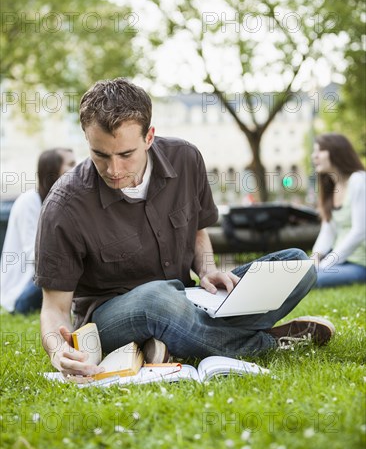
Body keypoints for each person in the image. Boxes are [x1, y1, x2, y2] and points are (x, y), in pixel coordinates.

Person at [35, 78, 335, 380]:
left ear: (149, 136)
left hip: (189, 299)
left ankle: (165, 344)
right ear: (87, 140)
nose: (113, 170)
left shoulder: (186, 159)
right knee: (157, 300)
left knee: (295, 264)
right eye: (100, 154)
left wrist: (207, 270)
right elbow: (53, 308)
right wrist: (57, 350)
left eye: (126, 154)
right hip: (110, 318)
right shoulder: (64, 205)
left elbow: (196, 230)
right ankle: (267, 341)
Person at [0, 148, 76, 313]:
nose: (76, 169)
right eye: (70, 164)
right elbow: (34, 255)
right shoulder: (29, 201)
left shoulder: (65, 203)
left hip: (45, 279)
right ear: (53, 170)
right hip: (22, 291)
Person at [310, 133, 366, 287]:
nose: (314, 156)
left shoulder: (358, 180)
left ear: (336, 151)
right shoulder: (331, 187)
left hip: (360, 264)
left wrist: (326, 263)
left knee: (312, 281)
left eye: (319, 151)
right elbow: (328, 230)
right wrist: (315, 258)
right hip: (339, 262)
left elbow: (360, 231)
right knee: (304, 277)